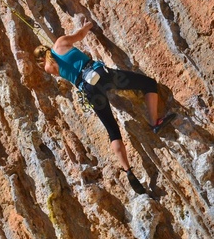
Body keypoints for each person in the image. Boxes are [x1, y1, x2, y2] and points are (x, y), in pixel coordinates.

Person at [34, 20, 176, 194]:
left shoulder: (49, 67)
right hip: (101, 74)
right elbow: (80, 35)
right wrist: (87, 25)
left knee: (112, 130)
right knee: (148, 84)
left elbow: (57, 66)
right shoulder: (60, 42)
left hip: (88, 89)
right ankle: (155, 122)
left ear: (41, 60)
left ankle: (128, 170)